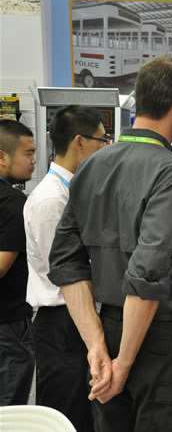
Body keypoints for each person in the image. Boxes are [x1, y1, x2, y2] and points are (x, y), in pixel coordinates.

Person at [48, 56, 172, 432]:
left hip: (107, 328)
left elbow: (66, 262)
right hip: (162, 339)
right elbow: (148, 274)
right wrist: (124, 364)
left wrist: (97, 348)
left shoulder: (92, 165)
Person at [24, 106, 107, 430]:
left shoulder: (72, 190)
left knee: (84, 411)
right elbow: (61, 269)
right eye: (102, 140)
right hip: (60, 319)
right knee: (65, 411)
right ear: (79, 141)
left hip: (76, 316)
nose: (105, 148)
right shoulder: (50, 199)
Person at [0, 119, 35, 406]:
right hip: (8, 323)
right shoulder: (13, 203)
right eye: (28, 153)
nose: (33, 161)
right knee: (10, 409)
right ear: (2, 156)